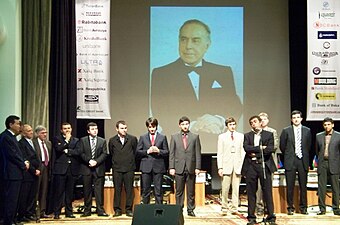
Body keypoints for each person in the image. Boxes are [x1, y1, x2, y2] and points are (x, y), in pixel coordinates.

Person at [151, 19, 242, 151]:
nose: (188, 46)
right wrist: (193, 125)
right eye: (183, 39)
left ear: (207, 44)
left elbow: (234, 104)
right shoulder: (161, 74)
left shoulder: (223, 72)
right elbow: (160, 111)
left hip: (219, 145)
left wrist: (219, 120)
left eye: (195, 40)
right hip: (183, 147)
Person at [242, 115, 276, 225]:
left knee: (267, 192)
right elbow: (246, 148)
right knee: (251, 192)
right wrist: (260, 148)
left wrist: (256, 151)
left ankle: (270, 216)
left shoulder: (268, 134)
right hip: (251, 166)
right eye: (251, 122)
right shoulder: (247, 136)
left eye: (255, 121)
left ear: (260, 122)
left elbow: (270, 149)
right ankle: (251, 217)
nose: (253, 124)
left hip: (264, 165)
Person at [279, 110, 311, 215]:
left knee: (303, 185)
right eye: (294, 117)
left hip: (302, 161)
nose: (296, 119)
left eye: (298, 117)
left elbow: (308, 146)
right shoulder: (286, 130)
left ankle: (303, 207)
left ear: (301, 118)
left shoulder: (307, 130)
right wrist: (289, 155)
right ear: (291, 119)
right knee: (290, 186)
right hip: (290, 161)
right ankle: (290, 208)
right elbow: (282, 146)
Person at [0, 115, 30, 225]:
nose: (19, 126)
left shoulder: (12, 137)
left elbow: (18, 153)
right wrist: (23, 164)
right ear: (10, 124)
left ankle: (13, 219)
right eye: (18, 124)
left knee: (15, 199)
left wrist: (24, 161)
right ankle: (8, 221)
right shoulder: (5, 137)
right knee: (10, 199)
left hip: (16, 173)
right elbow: (12, 155)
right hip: (10, 174)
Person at [169, 116, 201, 217]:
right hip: (179, 167)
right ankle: (179, 209)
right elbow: (172, 153)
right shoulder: (174, 137)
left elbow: (198, 153)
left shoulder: (195, 137)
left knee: (191, 191)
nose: (185, 126)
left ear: (189, 124)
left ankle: (191, 209)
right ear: (179, 125)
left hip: (191, 167)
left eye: (186, 124)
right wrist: (171, 167)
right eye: (183, 124)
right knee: (179, 191)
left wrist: (198, 167)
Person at [78, 122, 109, 217]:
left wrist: (96, 161)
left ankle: (100, 210)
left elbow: (104, 154)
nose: (95, 130)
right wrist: (89, 161)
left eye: (96, 129)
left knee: (99, 190)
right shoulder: (83, 140)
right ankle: (87, 210)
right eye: (92, 129)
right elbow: (81, 153)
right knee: (87, 190)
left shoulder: (102, 141)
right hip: (87, 168)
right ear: (88, 131)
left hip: (98, 168)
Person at [137, 117, 169, 204]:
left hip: (158, 166)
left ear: (156, 127)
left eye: (153, 127)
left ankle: (159, 209)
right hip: (146, 167)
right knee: (146, 190)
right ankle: (146, 210)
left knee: (158, 190)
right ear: (147, 127)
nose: (152, 129)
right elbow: (138, 152)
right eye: (150, 127)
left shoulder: (162, 137)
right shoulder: (143, 137)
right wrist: (147, 151)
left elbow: (166, 152)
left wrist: (159, 151)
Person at [108, 120, 138, 217]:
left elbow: (135, 152)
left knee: (129, 190)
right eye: (122, 128)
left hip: (129, 168)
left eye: (125, 128)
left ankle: (129, 209)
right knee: (117, 189)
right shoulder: (112, 140)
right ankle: (117, 209)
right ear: (117, 129)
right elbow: (112, 153)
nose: (124, 130)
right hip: (117, 168)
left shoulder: (132, 139)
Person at [52, 122, 80, 219]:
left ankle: (69, 212)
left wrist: (68, 151)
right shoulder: (57, 139)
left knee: (70, 192)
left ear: (71, 129)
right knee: (59, 192)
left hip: (72, 170)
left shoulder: (76, 140)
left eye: (68, 128)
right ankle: (57, 212)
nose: (67, 130)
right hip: (60, 169)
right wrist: (66, 141)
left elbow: (78, 152)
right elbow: (58, 149)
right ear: (61, 130)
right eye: (65, 128)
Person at [217, 117, 245, 214]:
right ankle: (224, 207)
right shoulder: (222, 137)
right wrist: (220, 167)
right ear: (227, 126)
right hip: (226, 165)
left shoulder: (241, 136)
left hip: (237, 165)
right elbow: (219, 152)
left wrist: (242, 166)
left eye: (234, 124)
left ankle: (234, 207)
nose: (232, 126)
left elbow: (243, 151)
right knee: (225, 188)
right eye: (230, 125)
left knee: (236, 188)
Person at [255, 112, 280, 215]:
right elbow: (255, 146)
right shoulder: (256, 132)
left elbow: (274, 146)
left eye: (264, 119)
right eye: (260, 119)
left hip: (269, 162)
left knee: (268, 186)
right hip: (258, 162)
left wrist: (264, 148)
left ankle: (269, 208)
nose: (263, 121)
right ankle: (259, 207)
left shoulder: (272, 132)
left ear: (267, 120)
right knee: (259, 187)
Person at [315, 117, 340, 215]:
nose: (327, 126)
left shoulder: (338, 136)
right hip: (322, 163)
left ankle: (336, 208)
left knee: (335, 188)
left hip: (334, 164)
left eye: (329, 124)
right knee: (321, 188)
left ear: (333, 125)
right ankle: (322, 209)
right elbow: (317, 151)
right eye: (325, 125)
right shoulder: (318, 136)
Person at [17, 124, 41, 222]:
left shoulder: (33, 142)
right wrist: (33, 170)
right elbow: (25, 159)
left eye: (31, 130)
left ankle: (29, 213)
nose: (31, 132)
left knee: (32, 195)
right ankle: (22, 215)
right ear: (23, 133)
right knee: (25, 196)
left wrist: (38, 169)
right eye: (28, 131)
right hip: (28, 174)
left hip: (35, 173)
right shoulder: (21, 143)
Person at [33, 125, 52, 219]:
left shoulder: (48, 143)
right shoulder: (33, 143)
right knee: (36, 191)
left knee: (44, 190)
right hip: (37, 168)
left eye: (46, 133)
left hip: (46, 168)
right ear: (37, 134)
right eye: (42, 133)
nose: (45, 134)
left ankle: (42, 211)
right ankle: (34, 212)